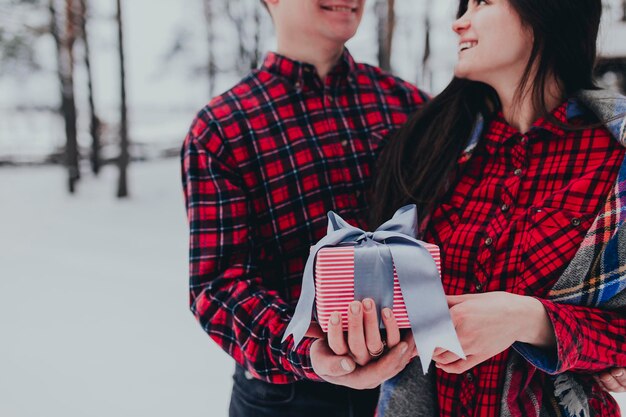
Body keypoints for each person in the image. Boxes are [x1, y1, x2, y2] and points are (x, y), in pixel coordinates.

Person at [360, 0, 626, 415]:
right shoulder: (436, 149)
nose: (458, 23)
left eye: (482, 3)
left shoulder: (613, 155)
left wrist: (531, 320)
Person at [180, 0, 428, 416]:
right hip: (287, 398)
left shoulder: (409, 106)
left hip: (407, 384)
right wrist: (309, 350)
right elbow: (218, 286)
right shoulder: (223, 128)